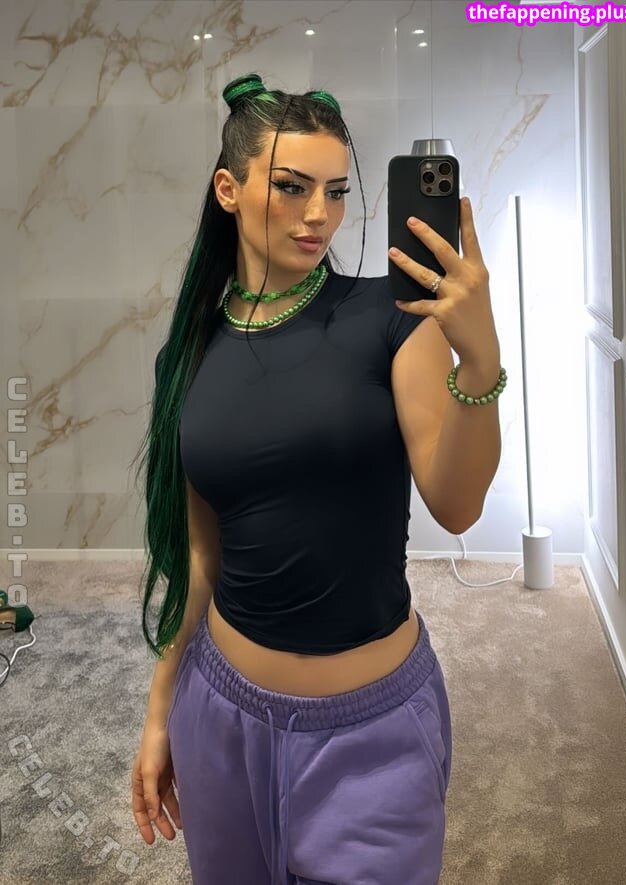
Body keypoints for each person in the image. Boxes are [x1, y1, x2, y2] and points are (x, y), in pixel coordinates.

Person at [130, 72, 460, 885]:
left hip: (375, 734)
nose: (320, 214)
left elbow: (456, 502)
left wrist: (480, 360)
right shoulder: (187, 355)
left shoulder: (391, 315)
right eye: (292, 186)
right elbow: (201, 555)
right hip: (220, 716)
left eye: (337, 191)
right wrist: (161, 710)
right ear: (229, 189)